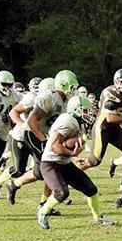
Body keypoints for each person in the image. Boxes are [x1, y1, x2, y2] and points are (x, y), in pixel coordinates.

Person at [37, 95, 115, 229]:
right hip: (50, 163)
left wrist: (73, 156)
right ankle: (43, 212)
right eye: (85, 110)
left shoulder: (75, 121)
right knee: (61, 193)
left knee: (91, 189)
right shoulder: (68, 120)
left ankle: (98, 218)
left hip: (64, 162)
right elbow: (55, 146)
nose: (89, 113)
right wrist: (72, 153)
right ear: (76, 110)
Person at [5, 71, 78, 208]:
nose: (73, 91)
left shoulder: (66, 101)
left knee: (41, 171)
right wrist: (43, 140)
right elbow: (32, 120)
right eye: (72, 87)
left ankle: (16, 185)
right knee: (50, 166)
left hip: (46, 135)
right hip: (33, 134)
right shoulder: (49, 97)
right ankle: (48, 200)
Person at [78, 68, 122, 192]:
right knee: (94, 161)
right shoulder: (110, 94)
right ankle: (73, 172)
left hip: (115, 128)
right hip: (102, 128)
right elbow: (110, 118)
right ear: (116, 81)